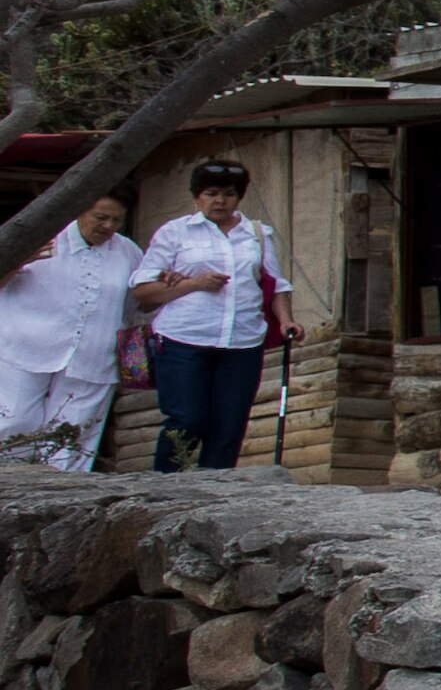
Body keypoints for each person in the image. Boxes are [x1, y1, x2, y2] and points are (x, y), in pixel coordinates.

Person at [136, 159, 296, 472]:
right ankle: (165, 486)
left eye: (228, 194)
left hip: (242, 341)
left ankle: (215, 493)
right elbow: (143, 290)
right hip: (184, 338)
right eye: (211, 193)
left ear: (239, 198)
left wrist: (286, 319)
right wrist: (195, 283)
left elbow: (276, 283)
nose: (219, 201)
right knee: (187, 418)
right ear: (197, 197)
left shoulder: (257, 234)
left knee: (229, 426)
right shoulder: (175, 232)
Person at [0, 192, 143, 471]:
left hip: (93, 356)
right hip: (23, 348)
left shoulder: (128, 252)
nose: (108, 226)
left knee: (73, 435)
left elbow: (137, 306)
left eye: (117, 220)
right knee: (13, 422)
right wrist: (18, 261)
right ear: (79, 211)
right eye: (101, 217)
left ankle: (62, 503)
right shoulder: (39, 238)